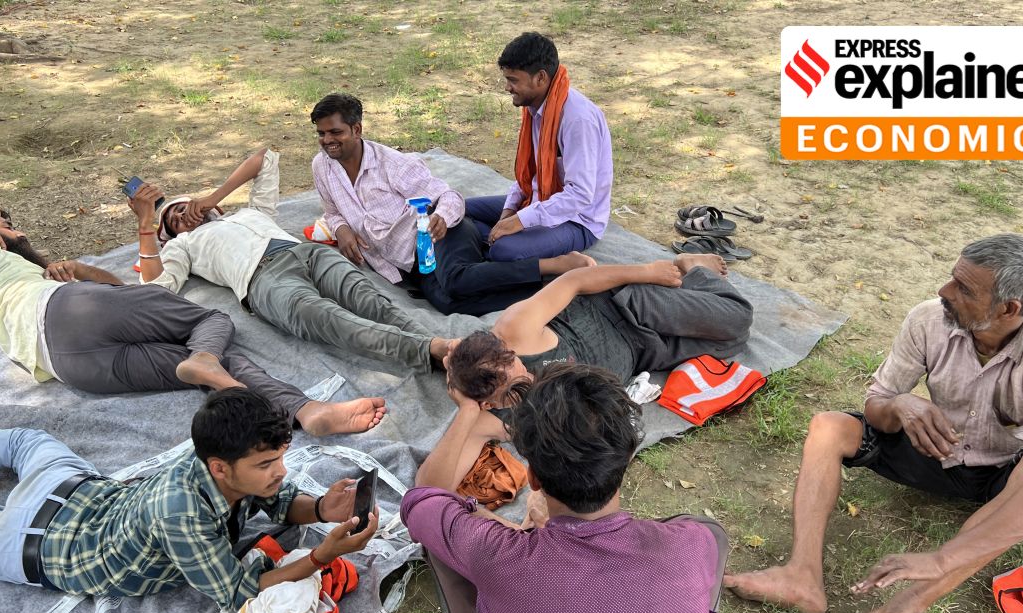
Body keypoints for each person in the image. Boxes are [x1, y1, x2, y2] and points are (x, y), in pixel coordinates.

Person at [723, 234, 1023, 613]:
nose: (944, 292)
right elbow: (877, 406)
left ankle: (903, 607)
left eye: (964, 289)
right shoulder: (929, 319)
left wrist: (941, 558)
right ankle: (800, 576)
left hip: (1002, 473)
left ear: (1008, 309)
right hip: (932, 452)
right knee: (829, 426)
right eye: (953, 278)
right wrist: (900, 404)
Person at [0, 388, 379, 611]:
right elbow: (238, 592)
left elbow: (281, 500)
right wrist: (323, 555)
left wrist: (320, 509)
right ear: (219, 467)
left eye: (281, 457)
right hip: (29, 547)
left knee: (24, 440)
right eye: (265, 465)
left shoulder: (232, 463)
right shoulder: (182, 512)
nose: (279, 472)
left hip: (74, 489)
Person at [0, 198, 383, 436]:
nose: (16, 231)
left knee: (215, 367)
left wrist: (74, 270)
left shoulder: (16, 280)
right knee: (212, 322)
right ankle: (209, 360)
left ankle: (305, 412)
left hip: (71, 366)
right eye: (9, 227)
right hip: (68, 311)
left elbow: (120, 292)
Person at [403, 363, 722, 613]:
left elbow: (421, 501)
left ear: (532, 479)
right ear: (626, 459)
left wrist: (488, 520)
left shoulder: (501, 559)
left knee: (442, 539)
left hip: (514, 573)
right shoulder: (694, 542)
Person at [132, 147, 450, 371]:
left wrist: (213, 198)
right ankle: (430, 350)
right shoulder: (183, 245)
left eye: (183, 208)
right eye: (173, 220)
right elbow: (156, 285)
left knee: (369, 300)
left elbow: (265, 159)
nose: (181, 217)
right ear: (171, 235)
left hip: (305, 253)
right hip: (265, 280)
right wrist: (146, 225)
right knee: (332, 319)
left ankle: (441, 347)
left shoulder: (253, 212)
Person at [309, 93, 594, 317]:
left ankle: (556, 265)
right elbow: (332, 211)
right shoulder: (322, 167)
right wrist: (342, 228)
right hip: (410, 261)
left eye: (335, 132)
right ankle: (550, 288)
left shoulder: (392, 165)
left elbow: (450, 197)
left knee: (458, 280)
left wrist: (442, 218)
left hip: (440, 234)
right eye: (322, 134)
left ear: (356, 129)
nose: (327, 141)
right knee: (448, 302)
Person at [444, 254, 752, 416]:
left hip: (625, 307)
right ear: (489, 403)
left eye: (512, 361)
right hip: (642, 352)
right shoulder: (501, 413)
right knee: (732, 343)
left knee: (737, 319)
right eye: (511, 384)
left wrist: (646, 271)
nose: (521, 370)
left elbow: (574, 280)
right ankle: (697, 296)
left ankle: (694, 267)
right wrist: (468, 408)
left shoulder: (513, 330)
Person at [464, 32, 613, 262]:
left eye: (513, 80)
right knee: (457, 209)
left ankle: (486, 248)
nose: (507, 88)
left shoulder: (577, 120)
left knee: (503, 250)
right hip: (539, 199)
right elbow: (530, 173)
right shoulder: (535, 108)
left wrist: (520, 221)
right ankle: (482, 243)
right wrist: (508, 212)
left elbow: (580, 195)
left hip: (577, 220)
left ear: (540, 78)